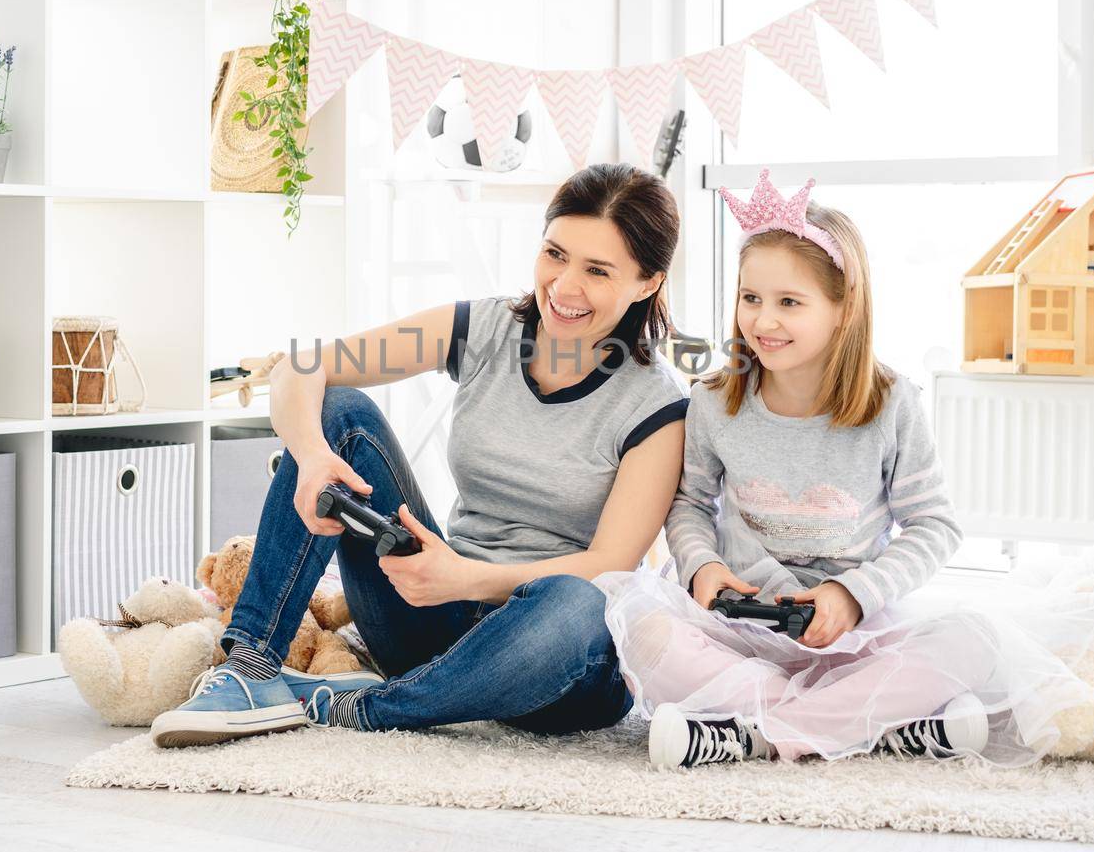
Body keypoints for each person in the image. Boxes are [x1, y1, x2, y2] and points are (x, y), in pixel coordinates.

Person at [597, 170, 1094, 769]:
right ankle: (868, 728)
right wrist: (705, 566)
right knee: (640, 625)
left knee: (972, 640)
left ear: (844, 308)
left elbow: (933, 527)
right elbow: (691, 505)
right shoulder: (716, 401)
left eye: (789, 303)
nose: (763, 322)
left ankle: (759, 734)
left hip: (853, 634)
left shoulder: (891, 402)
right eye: (751, 298)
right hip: (742, 629)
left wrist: (852, 596)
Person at [151, 163, 691, 747]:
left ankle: (371, 707)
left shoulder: (658, 406)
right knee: (339, 411)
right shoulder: (483, 328)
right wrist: (311, 457)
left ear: (647, 283)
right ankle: (251, 668)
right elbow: (302, 368)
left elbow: (605, 566)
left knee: (582, 602)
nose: (563, 287)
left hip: (554, 656)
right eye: (555, 254)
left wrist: (467, 577)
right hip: (432, 616)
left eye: (597, 270)